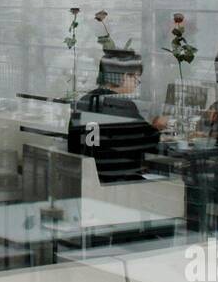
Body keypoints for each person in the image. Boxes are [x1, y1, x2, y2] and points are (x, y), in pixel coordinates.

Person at [69, 49, 161, 183]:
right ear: (123, 76)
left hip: (88, 177)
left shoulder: (84, 101)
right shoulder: (123, 105)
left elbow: (74, 141)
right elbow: (151, 142)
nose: (137, 83)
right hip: (116, 180)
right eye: (136, 77)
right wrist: (158, 126)